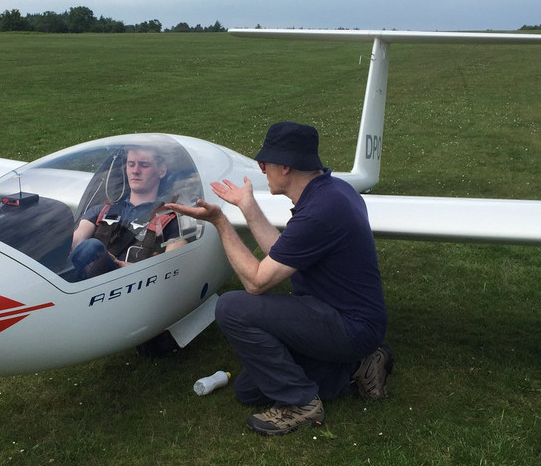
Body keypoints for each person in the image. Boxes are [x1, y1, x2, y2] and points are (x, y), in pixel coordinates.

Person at [167, 121, 392, 436]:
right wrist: (247, 205)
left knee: (231, 307)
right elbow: (282, 253)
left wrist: (220, 221)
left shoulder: (321, 210)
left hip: (349, 324)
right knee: (249, 389)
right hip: (331, 313)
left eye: (264, 164)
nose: (261, 170)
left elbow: (257, 282)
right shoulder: (331, 191)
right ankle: (357, 367)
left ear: (285, 167)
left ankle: (302, 403)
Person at [70, 145, 181, 279]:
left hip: (135, 286)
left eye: (144, 165)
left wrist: (120, 265)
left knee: (91, 247)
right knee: (88, 248)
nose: (135, 171)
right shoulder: (101, 211)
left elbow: (172, 267)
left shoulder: (171, 219)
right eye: (131, 164)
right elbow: (75, 242)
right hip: (88, 285)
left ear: (161, 171)